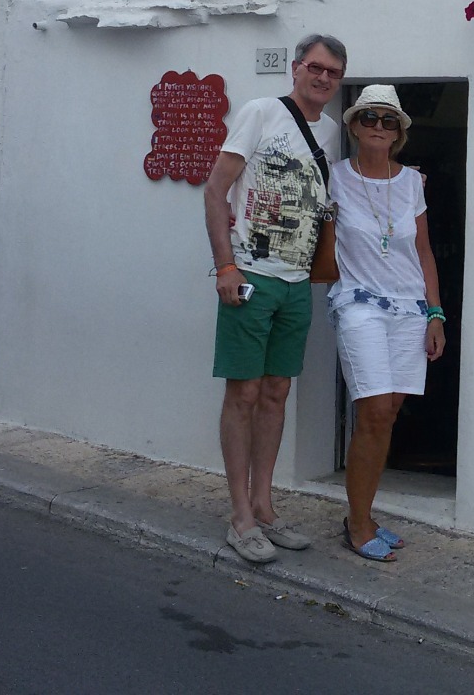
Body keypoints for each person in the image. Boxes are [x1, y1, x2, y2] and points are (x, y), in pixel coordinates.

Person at [202, 33, 346, 564]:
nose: (323, 77)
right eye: (316, 67)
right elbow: (216, 189)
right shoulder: (261, 112)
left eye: (333, 72)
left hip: (297, 281)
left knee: (277, 392)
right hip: (252, 276)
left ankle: (264, 506)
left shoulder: (330, 132)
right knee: (243, 393)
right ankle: (239, 515)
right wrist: (225, 265)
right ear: (296, 68)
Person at [327, 84, 446, 562]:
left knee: (390, 413)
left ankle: (366, 514)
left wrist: (435, 313)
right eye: (369, 117)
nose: (378, 126)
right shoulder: (334, 177)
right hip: (359, 303)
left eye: (388, 120)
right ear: (354, 126)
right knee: (374, 411)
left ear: (399, 133)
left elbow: (423, 251)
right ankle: (356, 525)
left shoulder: (413, 183)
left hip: (409, 307)